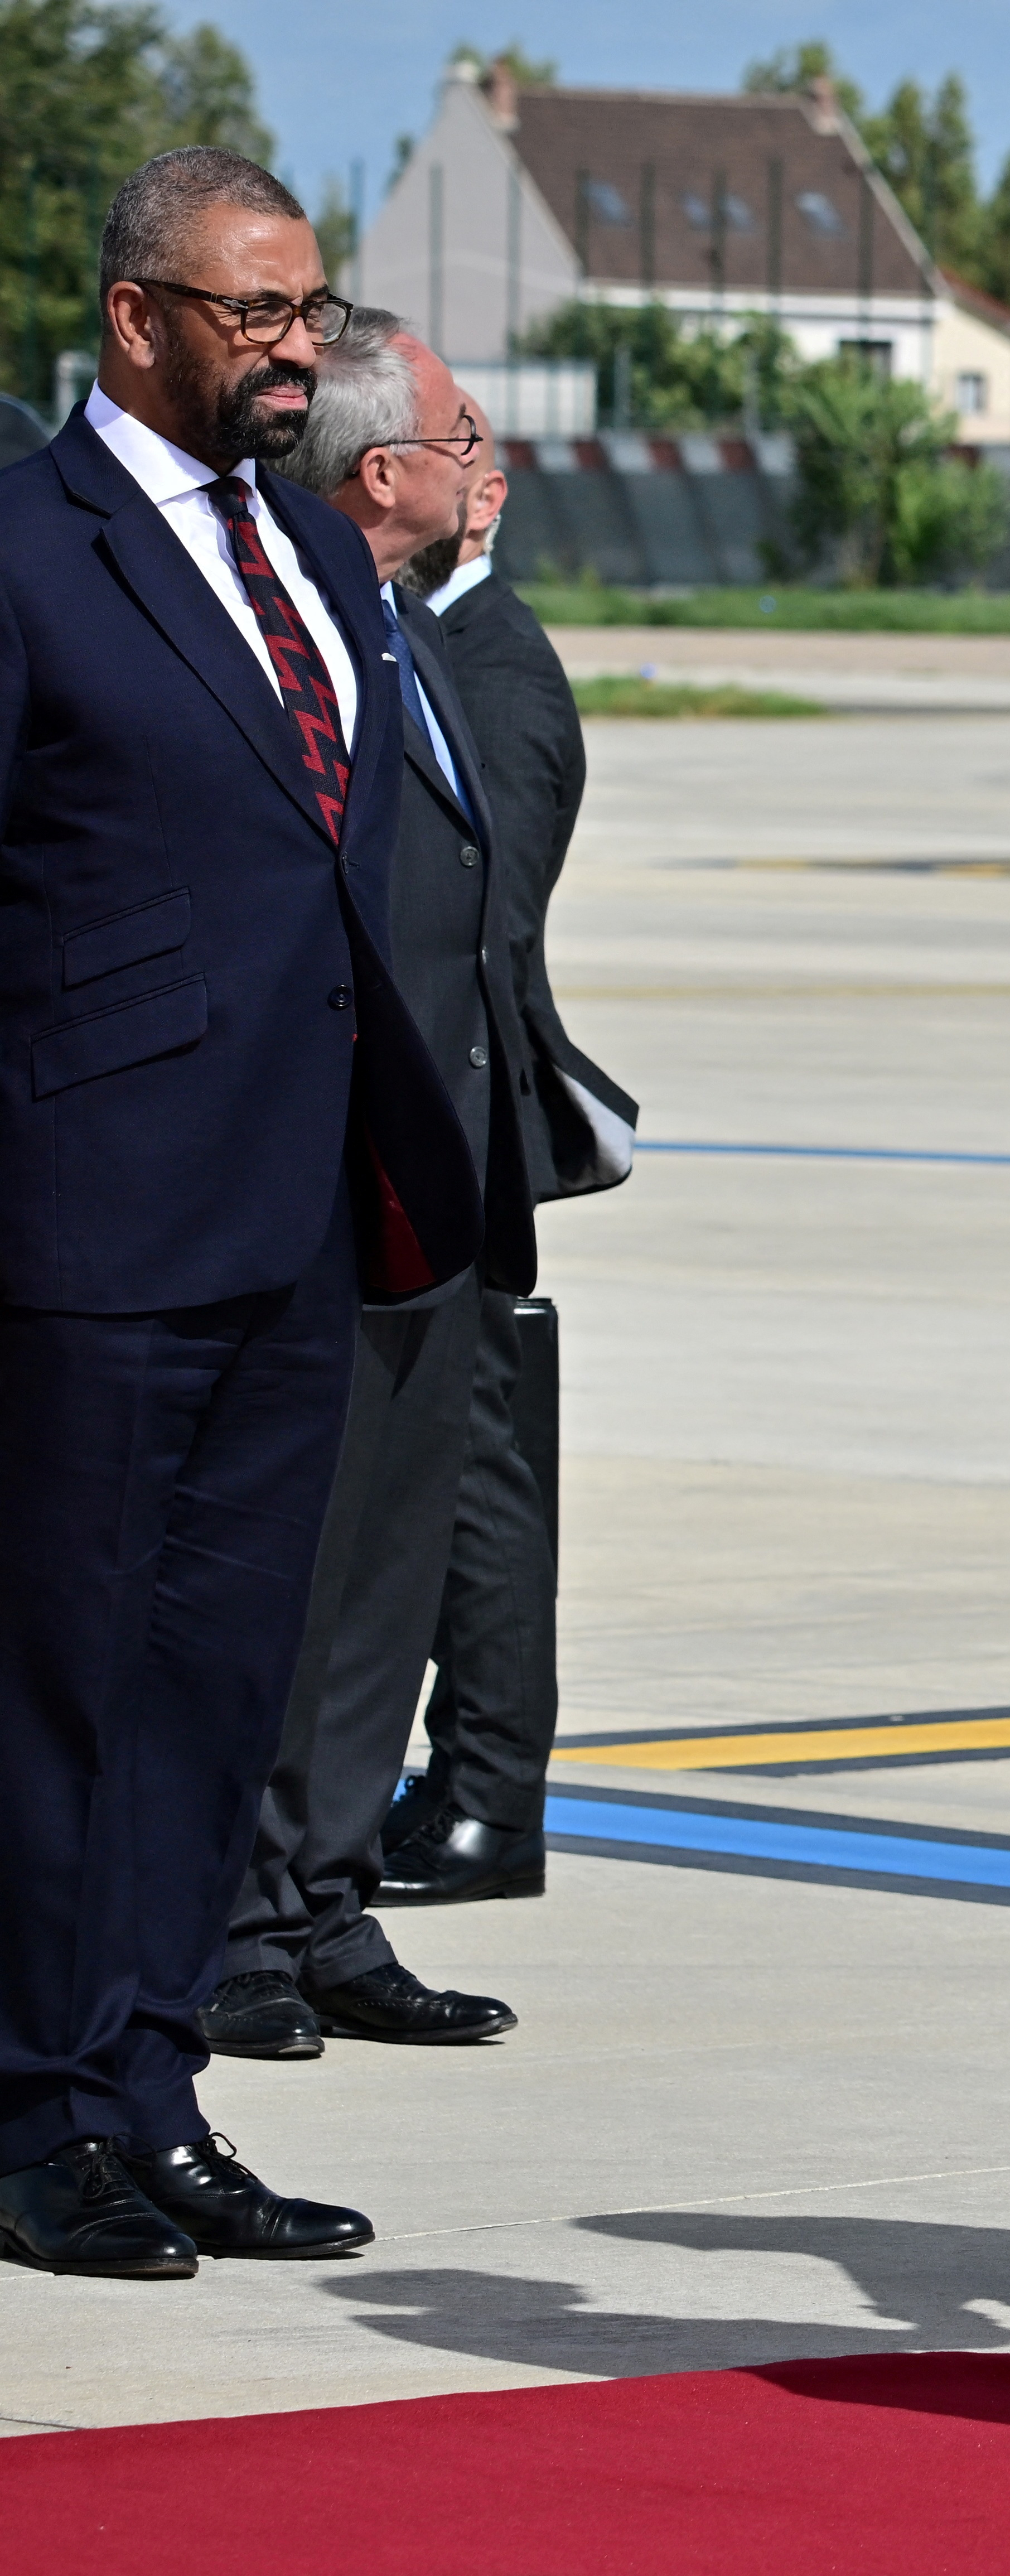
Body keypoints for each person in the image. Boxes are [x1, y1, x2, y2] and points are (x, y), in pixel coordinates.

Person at [0, 148, 478, 2278]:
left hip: (297, 1200)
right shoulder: (29, 544)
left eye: (309, 310)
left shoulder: (308, 544)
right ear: (136, 320)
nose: (298, 347)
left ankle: (150, 2083)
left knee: (213, 1680)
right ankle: (29, 2109)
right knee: (57, 1688)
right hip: (86, 1222)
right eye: (256, 313)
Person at [206, 316, 529, 2060]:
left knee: (392, 1567)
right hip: (315, 1170)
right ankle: (244, 1926)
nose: (489, 463)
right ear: (382, 470)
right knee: (301, 1564)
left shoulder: (401, 629)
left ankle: (330, 1904)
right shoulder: (293, 631)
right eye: (462, 432)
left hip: (433, 1172)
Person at [381, 426, 642, 1908]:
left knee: (481, 1483)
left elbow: (487, 922)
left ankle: (486, 1797)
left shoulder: (491, 665)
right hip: (431, 1146)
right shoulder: (429, 642)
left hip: (459, 1147)